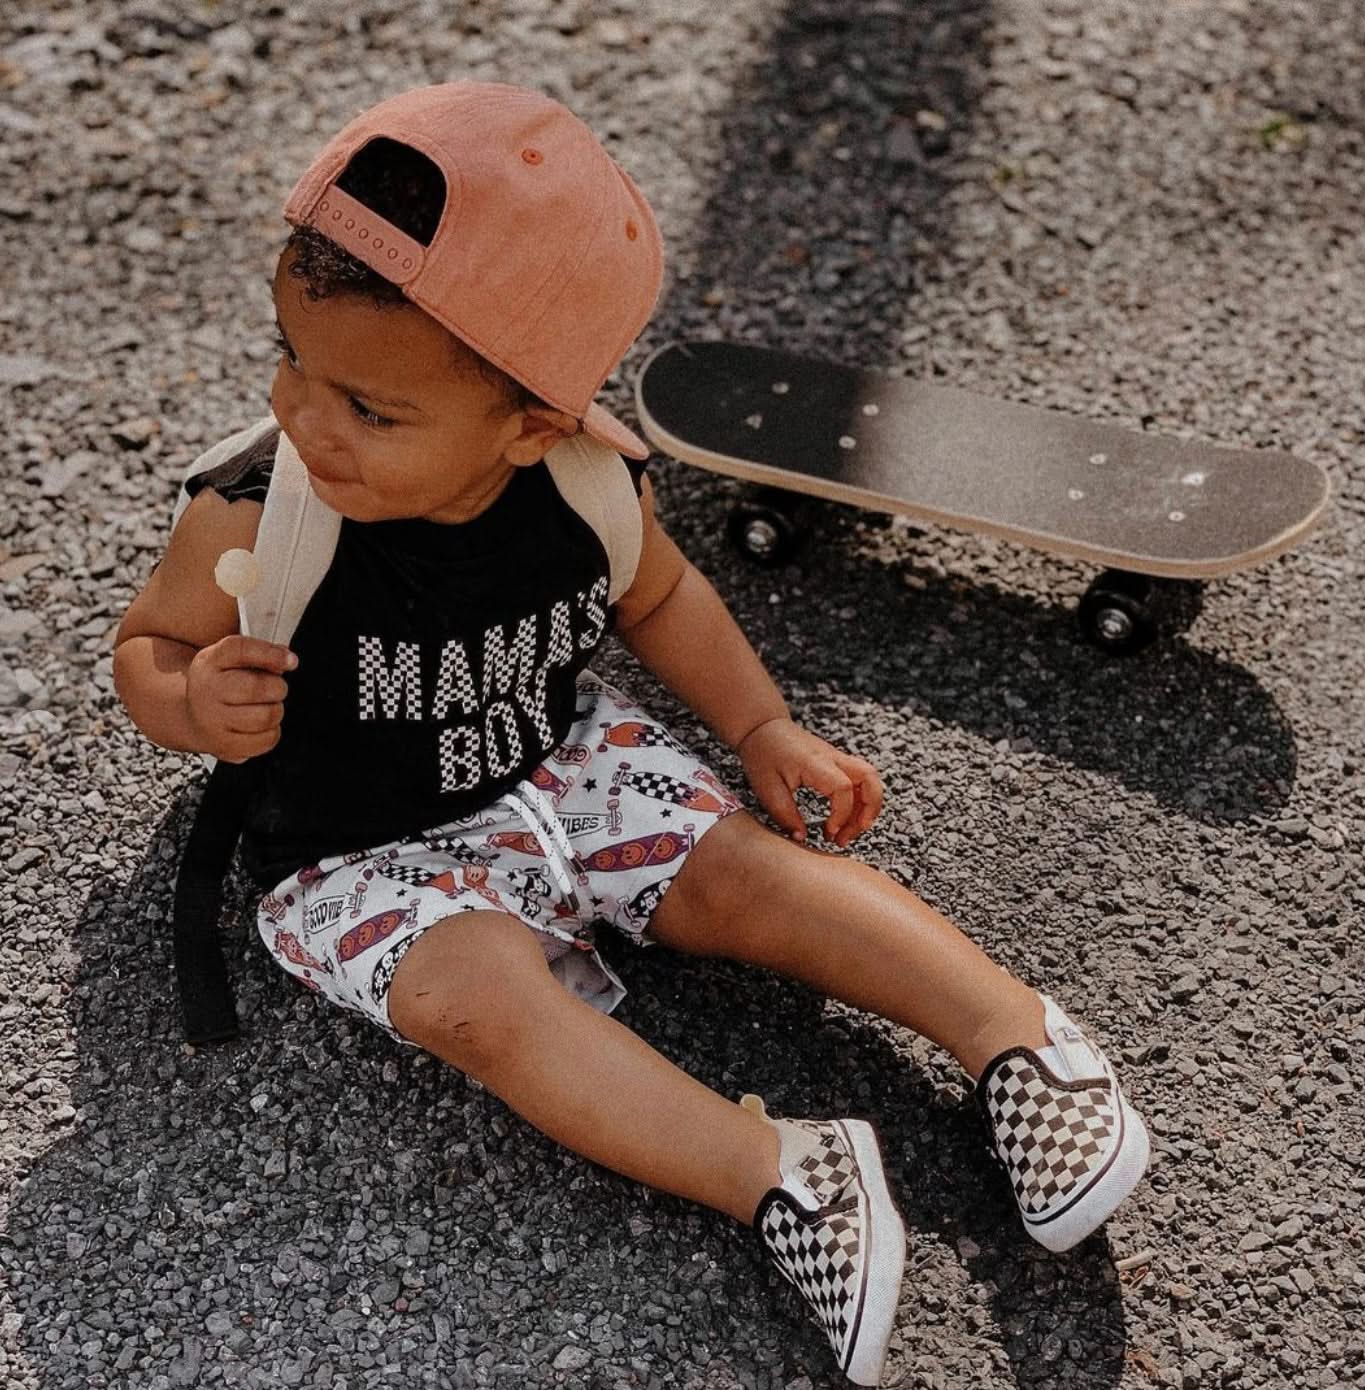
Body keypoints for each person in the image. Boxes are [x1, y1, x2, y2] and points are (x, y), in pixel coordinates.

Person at [112, 82, 1149, 1387]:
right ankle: (782, 1174)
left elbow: (657, 595)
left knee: (747, 876)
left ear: (531, 423)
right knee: (478, 1004)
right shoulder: (259, 513)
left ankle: (1021, 1041)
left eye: (372, 410)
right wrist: (190, 698)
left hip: (559, 761)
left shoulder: (586, 483)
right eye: (291, 359)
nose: (308, 419)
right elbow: (146, 649)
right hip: (355, 843)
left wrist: (760, 725)